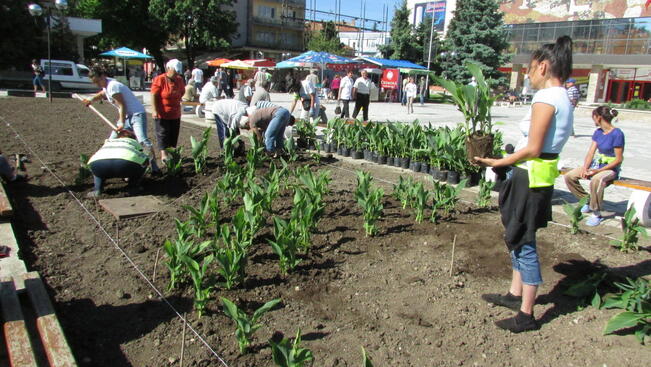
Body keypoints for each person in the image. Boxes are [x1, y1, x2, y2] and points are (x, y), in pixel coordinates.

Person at [475, 35, 574, 333]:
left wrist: (499, 163)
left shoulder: (546, 98)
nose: (528, 76)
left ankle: (526, 315)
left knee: (524, 242)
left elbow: (532, 148)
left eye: (530, 69)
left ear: (543, 66)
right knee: (518, 235)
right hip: (538, 177)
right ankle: (514, 294)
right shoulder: (565, 98)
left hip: (528, 176)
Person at [83, 66, 160, 173]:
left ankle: (154, 167)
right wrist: (91, 99)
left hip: (136, 114)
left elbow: (122, 105)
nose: (97, 84)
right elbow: (102, 94)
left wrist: (121, 122)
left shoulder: (113, 86)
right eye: (95, 83)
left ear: (103, 76)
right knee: (112, 140)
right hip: (128, 116)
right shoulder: (107, 85)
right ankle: (110, 166)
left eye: (97, 81)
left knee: (142, 140)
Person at [564, 106, 624, 227]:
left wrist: (598, 171)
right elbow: (591, 152)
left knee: (597, 180)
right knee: (569, 176)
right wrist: (585, 168)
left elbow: (618, 159)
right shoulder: (598, 132)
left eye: (594, 117)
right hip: (596, 164)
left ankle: (596, 213)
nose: (593, 120)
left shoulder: (617, 134)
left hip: (610, 168)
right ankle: (586, 199)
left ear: (599, 117)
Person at [86, 129, 148, 198]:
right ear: (132, 138)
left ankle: (97, 190)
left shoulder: (109, 142)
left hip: (97, 163)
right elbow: (142, 152)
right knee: (145, 160)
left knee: (97, 172)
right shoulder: (133, 141)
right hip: (124, 164)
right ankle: (133, 187)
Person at [151, 59, 185, 162]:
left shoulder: (179, 80)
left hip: (175, 112)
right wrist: (154, 110)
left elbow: (182, 92)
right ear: (168, 68)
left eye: (178, 72)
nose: (176, 74)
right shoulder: (160, 79)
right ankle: (164, 155)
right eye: (175, 72)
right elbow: (153, 94)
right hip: (162, 112)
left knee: (174, 133)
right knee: (163, 133)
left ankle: (172, 153)